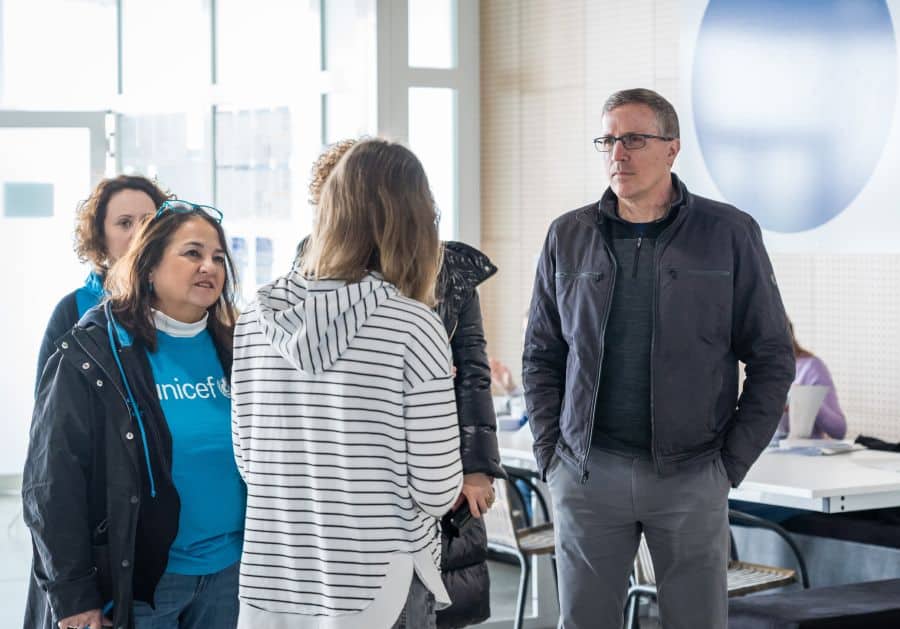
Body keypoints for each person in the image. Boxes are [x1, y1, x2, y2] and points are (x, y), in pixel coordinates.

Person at [522, 88, 795, 629]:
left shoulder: (729, 233)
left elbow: (771, 357)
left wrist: (728, 465)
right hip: (586, 472)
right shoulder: (568, 235)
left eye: (634, 139)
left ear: (671, 149)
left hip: (692, 473)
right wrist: (552, 454)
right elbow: (541, 355)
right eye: (608, 140)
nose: (617, 154)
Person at [231, 138, 464, 629]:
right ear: (414, 221)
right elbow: (438, 488)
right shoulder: (412, 326)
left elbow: (250, 462)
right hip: (381, 584)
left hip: (275, 587)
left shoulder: (255, 317)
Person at [299, 138, 505, 628]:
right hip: (360, 478)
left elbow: (472, 372)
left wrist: (476, 467)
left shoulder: (449, 268)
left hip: (445, 462)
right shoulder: (307, 273)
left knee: (442, 601)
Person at [23, 201, 245, 629]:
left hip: (230, 576)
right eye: (192, 253)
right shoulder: (94, 351)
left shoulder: (239, 345)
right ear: (148, 267)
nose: (210, 266)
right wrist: (73, 596)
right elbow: (53, 480)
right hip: (143, 584)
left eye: (218, 256)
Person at [35, 175, 171, 389]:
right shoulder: (72, 309)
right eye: (125, 223)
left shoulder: (180, 301)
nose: (139, 233)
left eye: (148, 221)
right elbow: (50, 409)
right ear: (100, 236)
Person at [779, 318, 847, 439]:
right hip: (766, 454)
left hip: (804, 454)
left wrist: (807, 400)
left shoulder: (811, 368)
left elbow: (839, 430)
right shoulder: (756, 372)